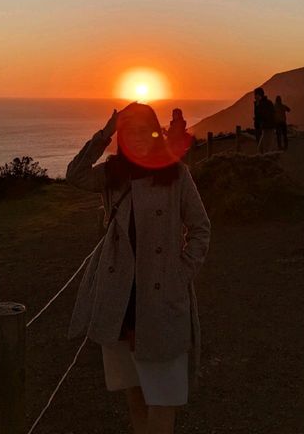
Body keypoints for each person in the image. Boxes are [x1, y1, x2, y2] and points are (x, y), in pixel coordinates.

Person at [66, 102, 211, 434]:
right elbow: (74, 174)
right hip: (121, 301)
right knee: (135, 394)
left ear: (155, 131)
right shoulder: (113, 174)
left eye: (144, 129)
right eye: (128, 131)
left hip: (160, 299)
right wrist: (105, 132)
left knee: (163, 397)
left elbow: (201, 228)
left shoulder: (176, 174)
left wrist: (182, 272)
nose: (137, 137)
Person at [253, 87, 276, 153]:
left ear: (258, 95)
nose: (254, 97)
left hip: (268, 127)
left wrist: (257, 106)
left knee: (266, 149)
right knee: (261, 148)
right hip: (265, 128)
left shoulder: (265, 103)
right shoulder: (261, 103)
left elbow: (264, 115)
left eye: (255, 95)